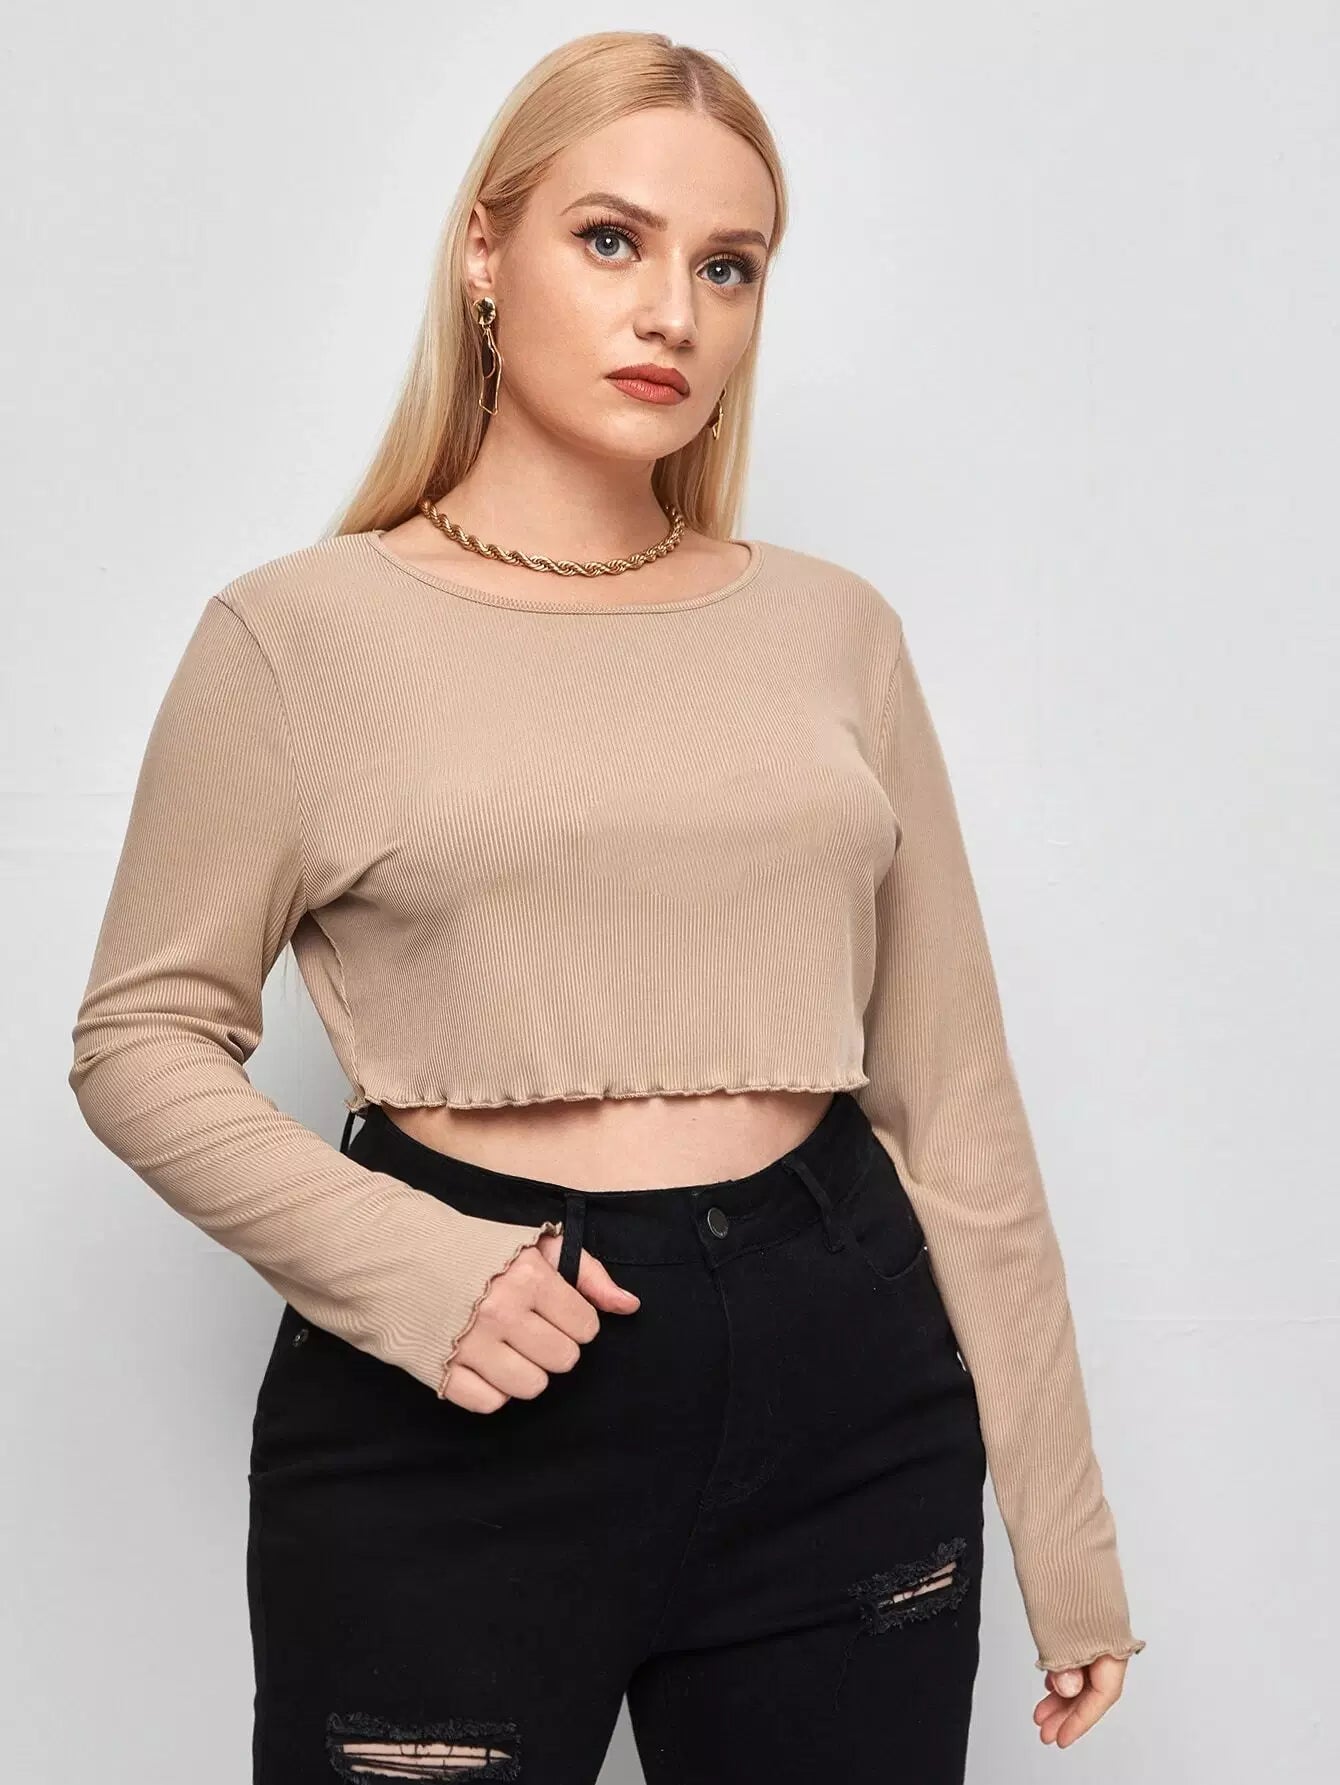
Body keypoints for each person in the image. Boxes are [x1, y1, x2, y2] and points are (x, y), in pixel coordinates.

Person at [67, 29, 1144, 1785]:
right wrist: (415, 1266)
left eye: (728, 266)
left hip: (844, 1384)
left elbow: (949, 1099)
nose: (674, 314)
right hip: (462, 1395)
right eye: (612, 239)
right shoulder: (299, 636)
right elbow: (138, 1039)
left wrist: (1067, 1529)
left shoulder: (832, 631)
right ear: (484, 253)